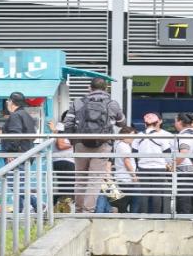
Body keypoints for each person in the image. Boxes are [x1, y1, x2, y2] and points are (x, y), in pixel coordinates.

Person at [64, 78, 126, 213]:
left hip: (80, 143)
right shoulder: (112, 103)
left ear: (89, 88)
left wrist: (73, 141)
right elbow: (122, 123)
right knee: (95, 180)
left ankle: (79, 210)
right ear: (106, 88)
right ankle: (88, 211)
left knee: (80, 179)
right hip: (103, 144)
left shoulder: (78, 102)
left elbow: (68, 124)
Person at [2, 92, 38, 211]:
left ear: (11, 102)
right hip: (26, 153)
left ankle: (38, 205)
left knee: (16, 185)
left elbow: (15, 134)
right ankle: (18, 210)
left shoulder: (15, 116)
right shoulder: (26, 115)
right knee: (18, 184)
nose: (7, 103)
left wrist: (11, 152)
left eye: (8, 101)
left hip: (17, 155)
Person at [134, 112, 172, 214]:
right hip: (159, 168)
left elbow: (134, 152)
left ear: (145, 124)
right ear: (156, 123)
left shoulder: (139, 136)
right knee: (157, 193)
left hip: (143, 168)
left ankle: (143, 215)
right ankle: (156, 215)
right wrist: (168, 164)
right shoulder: (161, 137)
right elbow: (168, 153)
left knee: (144, 193)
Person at [97, 126, 137, 213]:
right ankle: (131, 216)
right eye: (132, 136)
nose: (133, 139)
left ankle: (119, 212)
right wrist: (134, 176)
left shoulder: (117, 145)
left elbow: (111, 161)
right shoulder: (124, 146)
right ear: (125, 135)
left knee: (120, 200)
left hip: (119, 177)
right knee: (132, 199)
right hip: (126, 178)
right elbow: (127, 162)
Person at [49, 112, 75, 211]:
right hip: (64, 161)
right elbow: (60, 145)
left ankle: (58, 207)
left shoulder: (61, 128)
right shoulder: (62, 127)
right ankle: (59, 209)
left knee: (66, 187)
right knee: (66, 188)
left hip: (65, 161)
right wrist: (75, 143)